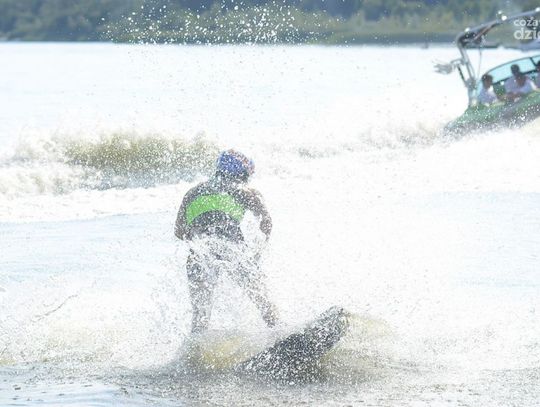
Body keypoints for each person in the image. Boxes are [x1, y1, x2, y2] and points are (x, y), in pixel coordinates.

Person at [175, 150, 279, 334]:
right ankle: (279, 331)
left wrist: (199, 239)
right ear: (242, 174)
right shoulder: (247, 192)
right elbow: (266, 223)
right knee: (262, 299)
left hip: (199, 253)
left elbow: (179, 231)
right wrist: (257, 253)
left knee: (200, 315)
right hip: (231, 248)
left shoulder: (192, 193)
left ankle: (195, 348)